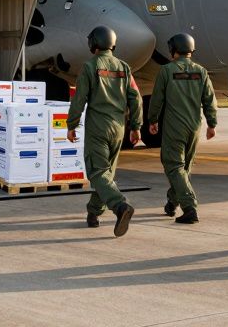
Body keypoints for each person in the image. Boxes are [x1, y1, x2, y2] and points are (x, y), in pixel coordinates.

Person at [67, 25, 143, 237]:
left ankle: (120, 206)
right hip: (119, 128)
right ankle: (93, 213)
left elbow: (79, 99)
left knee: (97, 172)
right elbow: (136, 98)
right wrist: (136, 126)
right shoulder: (124, 67)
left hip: (98, 128)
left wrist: (71, 125)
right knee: (106, 174)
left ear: (94, 43)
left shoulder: (90, 67)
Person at [146, 33, 218, 224]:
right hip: (194, 127)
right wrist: (212, 124)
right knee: (184, 167)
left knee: (173, 165)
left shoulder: (166, 71)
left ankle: (190, 207)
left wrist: (152, 120)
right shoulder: (201, 71)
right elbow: (210, 100)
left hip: (174, 127)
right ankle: (172, 202)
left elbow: (157, 99)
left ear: (173, 50)